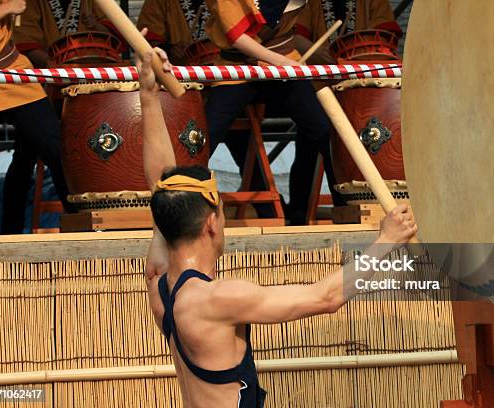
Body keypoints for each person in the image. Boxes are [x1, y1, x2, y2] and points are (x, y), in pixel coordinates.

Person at [138, 48, 417, 407]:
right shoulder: (217, 299)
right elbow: (325, 298)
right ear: (211, 224)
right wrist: (386, 242)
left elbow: (160, 184)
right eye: (222, 214)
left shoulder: (160, 286)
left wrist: (148, 95)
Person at [203, 0, 346, 225]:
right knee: (205, 135)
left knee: (324, 130)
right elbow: (238, 37)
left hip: (286, 57)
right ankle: (186, 207)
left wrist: (286, 58)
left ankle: (345, 207)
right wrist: (277, 61)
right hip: (239, 67)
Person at [0, 0, 72, 234]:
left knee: (55, 150)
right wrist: (6, 8)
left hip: (11, 72)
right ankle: (8, 232)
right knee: (25, 158)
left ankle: (77, 225)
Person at [13, 0, 119, 68]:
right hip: (53, 72)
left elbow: (113, 39)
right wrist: (54, 67)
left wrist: (95, 25)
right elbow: (26, 43)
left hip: (94, 67)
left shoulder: (92, 2)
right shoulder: (32, 3)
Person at [294, 0, 401, 64]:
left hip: (363, 73)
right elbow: (293, 37)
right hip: (323, 77)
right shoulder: (308, 2)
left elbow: (386, 36)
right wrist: (318, 52)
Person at [137, 0, 211, 65]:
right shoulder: (157, 2)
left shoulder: (220, 3)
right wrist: (170, 49)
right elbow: (148, 39)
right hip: (177, 72)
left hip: (219, 68)